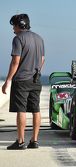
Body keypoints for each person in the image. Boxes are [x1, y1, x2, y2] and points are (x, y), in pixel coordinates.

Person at [1, 14, 45, 150]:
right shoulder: (39, 38)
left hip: (21, 80)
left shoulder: (18, 39)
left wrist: (7, 80)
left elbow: (15, 62)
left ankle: (20, 142)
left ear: (19, 25)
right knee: (36, 109)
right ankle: (34, 141)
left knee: (21, 110)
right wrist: (36, 72)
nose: (13, 29)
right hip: (36, 79)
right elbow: (42, 59)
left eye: (13, 25)